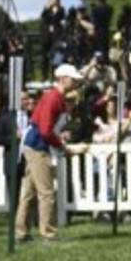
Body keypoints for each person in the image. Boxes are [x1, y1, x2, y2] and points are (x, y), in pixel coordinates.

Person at [16, 65, 80, 244]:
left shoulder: (54, 96)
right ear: (63, 78)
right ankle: (49, 234)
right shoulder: (54, 98)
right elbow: (45, 130)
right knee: (46, 192)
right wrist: (61, 146)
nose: (76, 82)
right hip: (38, 145)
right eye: (73, 79)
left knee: (29, 192)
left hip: (33, 144)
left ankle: (22, 232)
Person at [40, 0, 67, 78]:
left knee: (56, 56)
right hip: (47, 36)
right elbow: (43, 17)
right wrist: (47, 7)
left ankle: (54, 75)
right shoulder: (47, 9)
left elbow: (62, 20)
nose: (54, 0)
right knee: (45, 56)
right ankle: (44, 76)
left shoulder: (61, 9)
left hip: (56, 35)